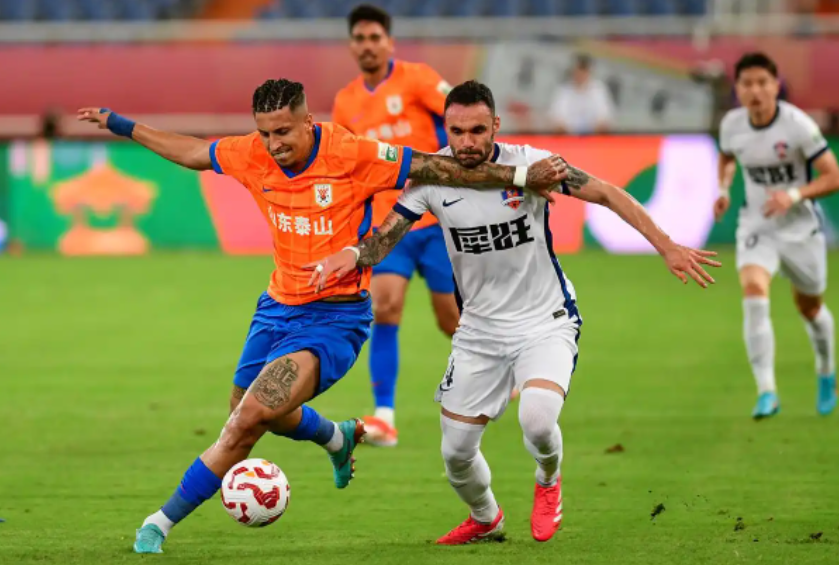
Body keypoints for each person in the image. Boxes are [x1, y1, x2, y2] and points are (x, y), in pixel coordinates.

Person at [76, 78, 568, 554]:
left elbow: (436, 168)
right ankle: (337, 436)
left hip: (334, 319)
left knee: (246, 421)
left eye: (283, 131)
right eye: (265, 132)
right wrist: (121, 125)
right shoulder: (253, 152)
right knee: (248, 410)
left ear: (308, 121)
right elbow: (192, 152)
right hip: (275, 309)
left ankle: (158, 523)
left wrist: (521, 176)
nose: (274, 144)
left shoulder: (350, 153)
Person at [308, 80, 720, 545]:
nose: (467, 142)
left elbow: (605, 193)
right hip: (478, 332)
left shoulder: (533, 164)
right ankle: (486, 518)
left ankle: (548, 478)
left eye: (477, 130)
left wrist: (666, 245)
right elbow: (385, 238)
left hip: (545, 320)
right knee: (456, 455)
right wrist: (353, 254)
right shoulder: (431, 179)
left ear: (496, 126)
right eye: (457, 131)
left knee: (538, 420)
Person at [332, 4, 458, 446]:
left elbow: (463, 117)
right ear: (351, 46)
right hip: (389, 224)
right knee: (385, 307)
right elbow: (346, 166)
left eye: (375, 38)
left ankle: (503, 367)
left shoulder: (418, 78)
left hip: (438, 216)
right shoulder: (346, 102)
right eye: (360, 39)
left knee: (451, 319)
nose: (367, 46)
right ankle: (384, 416)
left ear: (389, 42)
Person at [715, 52, 839, 419]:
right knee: (754, 293)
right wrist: (723, 190)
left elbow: (833, 176)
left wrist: (794, 195)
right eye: (747, 84)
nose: (755, 91)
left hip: (800, 229)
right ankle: (767, 391)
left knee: (810, 308)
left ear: (775, 85)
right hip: (758, 227)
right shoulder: (732, 124)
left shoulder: (797, 125)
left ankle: (826, 372)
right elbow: (727, 157)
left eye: (762, 83)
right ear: (737, 88)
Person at [547, 54, 614, 135]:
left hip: (592, 137)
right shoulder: (563, 91)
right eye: (578, 70)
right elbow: (557, 118)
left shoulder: (599, 90)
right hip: (568, 137)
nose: (580, 74)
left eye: (584, 70)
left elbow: (604, 118)